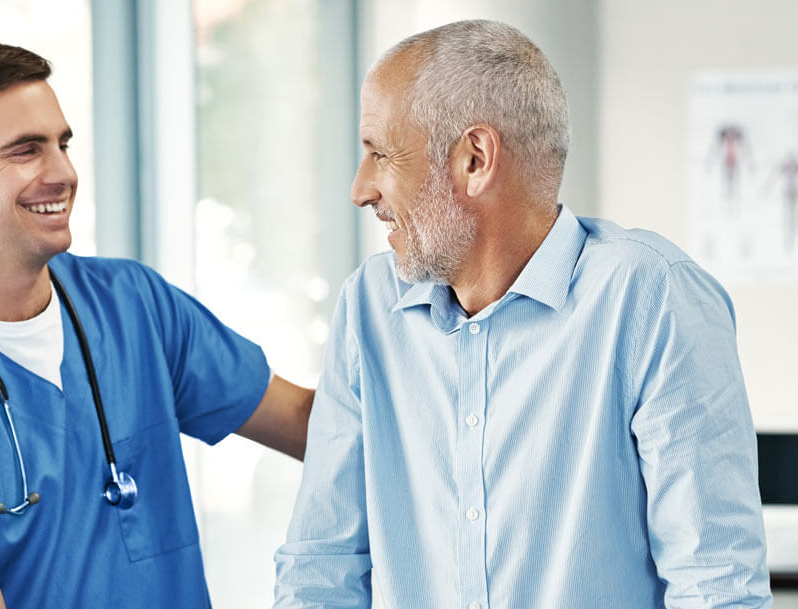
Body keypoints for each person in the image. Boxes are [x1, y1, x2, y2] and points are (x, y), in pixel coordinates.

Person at [274, 20, 772, 609]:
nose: (361, 189)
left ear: (475, 159)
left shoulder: (652, 299)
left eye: (381, 154)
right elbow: (320, 570)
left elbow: (715, 585)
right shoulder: (368, 308)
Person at [0, 39, 314, 608]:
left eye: (62, 144)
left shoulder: (134, 304)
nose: (63, 173)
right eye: (25, 151)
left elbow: (312, 426)